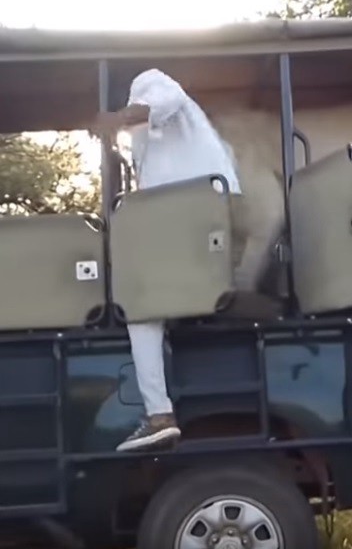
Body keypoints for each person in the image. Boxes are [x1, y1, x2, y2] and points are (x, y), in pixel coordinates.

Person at [91, 68, 243, 452]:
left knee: (139, 309)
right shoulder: (163, 139)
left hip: (198, 219)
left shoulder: (149, 82)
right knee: (143, 292)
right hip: (194, 221)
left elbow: (166, 100)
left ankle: (158, 415)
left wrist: (117, 118)